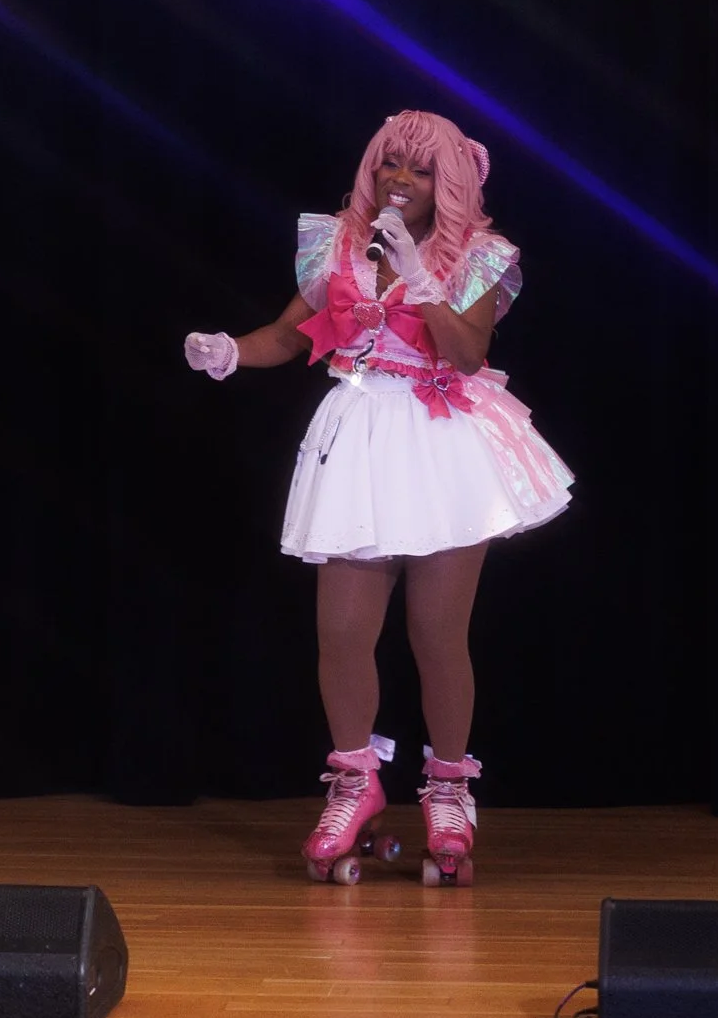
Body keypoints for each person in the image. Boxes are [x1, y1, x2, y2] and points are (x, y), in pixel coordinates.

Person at [184, 110, 573, 886]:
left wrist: (423, 278)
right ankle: (356, 784)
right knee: (341, 632)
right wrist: (231, 351)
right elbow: (293, 333)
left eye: (420, 169)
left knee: (436, 633)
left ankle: (451, 791)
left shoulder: (479, 257)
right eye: (390, 163)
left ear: (451, 181)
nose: (400, 179)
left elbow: (466, 351)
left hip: (442, 440)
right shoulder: (340, 243)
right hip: (360, 434)